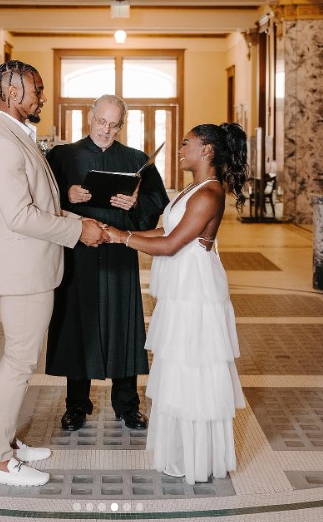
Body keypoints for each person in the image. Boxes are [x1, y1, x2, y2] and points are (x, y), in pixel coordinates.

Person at [0, 60, 105, 487]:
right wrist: (76, 229)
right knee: (18, 362)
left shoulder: (17, 136)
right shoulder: (0, 143)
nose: (42, 98)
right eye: (37, 91)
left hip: (35, 267)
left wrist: (79, 222)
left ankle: (6, 444)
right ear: (13, 95)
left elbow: (43, 205)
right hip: (23, 272)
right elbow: (19, 216)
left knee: (19, 360)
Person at [104, 123, 247, 484]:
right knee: (179, 367)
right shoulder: (193, 189)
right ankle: (184, 449)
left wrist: (122, 238)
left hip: (195, 292)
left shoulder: (209, 194)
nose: (181, 148)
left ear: (208, 150)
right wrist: (117, 235)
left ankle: (198, 457)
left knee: (193, 369)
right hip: (182, 288)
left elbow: (170, 246)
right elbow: (166, 231)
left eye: (187, 143)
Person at [45, 95, 169, 431]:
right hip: (77, 254)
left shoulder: (136, 159)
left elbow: (158, 201)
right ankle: (77, 404)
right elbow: (38, 198)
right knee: (77, 325)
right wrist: (66, 195)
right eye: (102, 122)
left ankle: (127, 405)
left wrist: (135, 201)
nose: (106, 130)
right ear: (90, 118)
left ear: (121, 126)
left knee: (123, 325)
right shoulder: (62, 156)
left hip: (119, 254)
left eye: (114, 125)